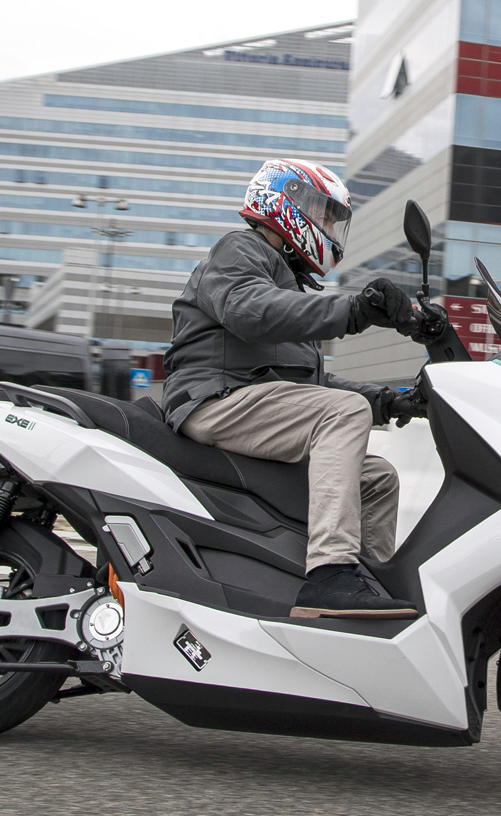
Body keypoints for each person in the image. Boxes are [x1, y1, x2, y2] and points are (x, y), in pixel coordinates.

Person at [162, 159, 432, 619]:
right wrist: (355, 311)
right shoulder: (240, 249)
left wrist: (392, 402)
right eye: (325, 214)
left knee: (377, 477)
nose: (329, 226)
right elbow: (248, 310)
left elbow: (309, 385)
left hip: (248, 398)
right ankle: (330, 575)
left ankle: (368, 584)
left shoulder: (286, 284)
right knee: (343, 413)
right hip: (213, 398)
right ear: (287, 202)